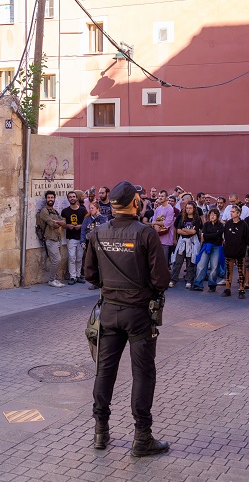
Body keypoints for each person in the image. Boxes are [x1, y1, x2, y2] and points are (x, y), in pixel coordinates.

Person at [84, 181, 171, 457]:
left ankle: (101, 431)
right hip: (139, 313)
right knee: (143, 373)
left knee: (104, 371)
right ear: (136, 203)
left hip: (109, 311)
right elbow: (161, 279)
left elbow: (90, 275)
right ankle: (142, 436)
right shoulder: (146, 234)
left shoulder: (98, 233)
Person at [169, 202, 202, 288]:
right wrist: (188, 231)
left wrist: (185, 229)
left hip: (192, 242)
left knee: (190, 262)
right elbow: (179, 230)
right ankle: (173, 279)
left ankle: (189, 280)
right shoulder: (182, 217)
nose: (188, 210)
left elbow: (194, 231)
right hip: (182, 241)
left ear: (194, 209)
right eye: (187, 208)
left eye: (190, 208)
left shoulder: (197, 219)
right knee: (178, 261)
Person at [38, 190, 65, 287]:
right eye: (48, 197)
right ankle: (51, 280)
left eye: (52, 197)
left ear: (54, 199)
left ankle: (56, 279)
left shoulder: (55, 211)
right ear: (46, 199)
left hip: (57, 238)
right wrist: (57, 222)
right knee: (57, 260)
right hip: (50, 239)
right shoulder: (44, 211)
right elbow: (52, 224)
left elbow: (63, 221)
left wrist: (58, 222)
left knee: (58, 260)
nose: (50, 199)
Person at [192, 208, 224, 292]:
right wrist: (211, 235)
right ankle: (198, 284)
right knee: (201, 265)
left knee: (214, 266)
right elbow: (204, 235)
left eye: (214, 215)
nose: (212, 216)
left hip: (216, 247)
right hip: (206, 246)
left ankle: (212, 285)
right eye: (211, 215)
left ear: (217, 216)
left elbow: (217, 235)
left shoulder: (221, 226)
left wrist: (208, 236)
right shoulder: (206, 224)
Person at [222, 205, 249, 298]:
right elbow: (225, 235)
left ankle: (241, 289)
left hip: (240, 252)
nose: (231, 213)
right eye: (231, 211)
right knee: (228, 271)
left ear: (238, 213)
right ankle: (227, 288)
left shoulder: (243, 224)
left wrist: (242, 249)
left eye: (233, 212)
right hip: (229, 251)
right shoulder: (228, 223)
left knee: (241, 272)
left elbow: (246, 238)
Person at [60, 190, 86, 285]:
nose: (72, 198)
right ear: (68, 199)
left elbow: (87, 223)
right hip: (70, 237)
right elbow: (63, 224)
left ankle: (78, 275)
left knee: (79, 258)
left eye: (73, 196)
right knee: (72, 257)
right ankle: (72, 276)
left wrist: (80, 226)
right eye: (70, 197)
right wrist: (68, 226)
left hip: (81, 237)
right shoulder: (65, 211)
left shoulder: (83, 210)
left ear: (76, 198)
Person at [80, 201, 108, 290]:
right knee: (93, 262)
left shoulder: (103, 218)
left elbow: (104, 228)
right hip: (90, 243)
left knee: (101, 263)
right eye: (90, 208)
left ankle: (102, 281)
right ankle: (95, 282)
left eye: (93, 208)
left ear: (97, 209)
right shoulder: (87, 219)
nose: (91, 210)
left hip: (100, 243)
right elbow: (83, 231)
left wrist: (98, 217)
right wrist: (82, 242)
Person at [152, 192, 176, 262]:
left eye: (162, 196)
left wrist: (156, 223)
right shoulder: (158, 209)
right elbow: (153, 220)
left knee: (164, 260)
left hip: (166, 239)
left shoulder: (170, 209)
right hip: (157, 238)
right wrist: (155, 225)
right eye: (159, 196)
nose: (160, 197)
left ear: (166, 198)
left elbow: (167, 222)